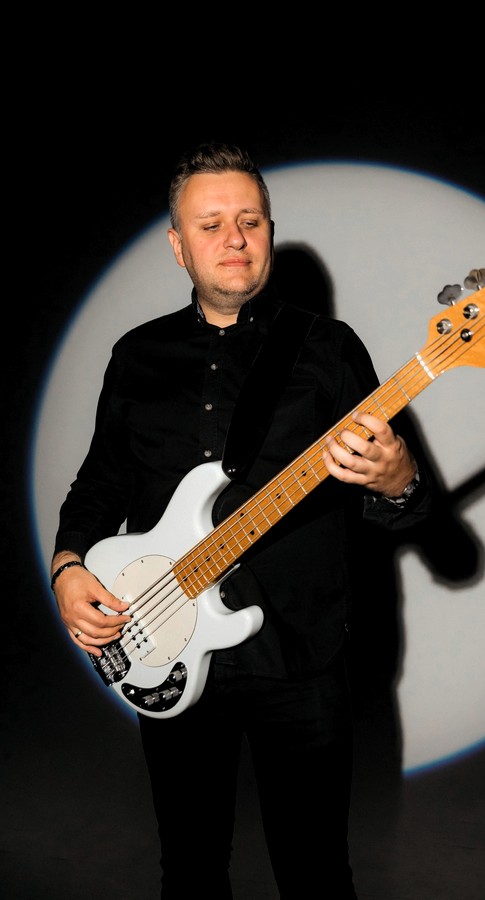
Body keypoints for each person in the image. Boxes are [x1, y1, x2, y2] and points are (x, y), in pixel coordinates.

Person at [50, 141, 432, 899]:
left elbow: (406, 513)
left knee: (316, 874)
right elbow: (101, 481)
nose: (234, 238)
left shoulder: (329, 350)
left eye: (250, 221)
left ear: (269, 233)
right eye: (211, 224)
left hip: (299, 654)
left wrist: (400, 481)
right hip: (162, 637)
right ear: (178, 246)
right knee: (190, 870)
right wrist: (66, 566)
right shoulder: (136, 355)